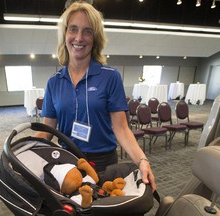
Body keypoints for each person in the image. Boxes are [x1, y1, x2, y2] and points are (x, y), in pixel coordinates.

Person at [37, 1, 156, 191]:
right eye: (73, 29)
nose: (79, 37)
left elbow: (122, 129)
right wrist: (26, 153)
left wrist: (142, 160)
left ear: (95, 38)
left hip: (103, 164)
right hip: (67, 165)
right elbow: (47, 131)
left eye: (87, 31)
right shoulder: (54, 82)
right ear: (65, 34)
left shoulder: (110, 76)